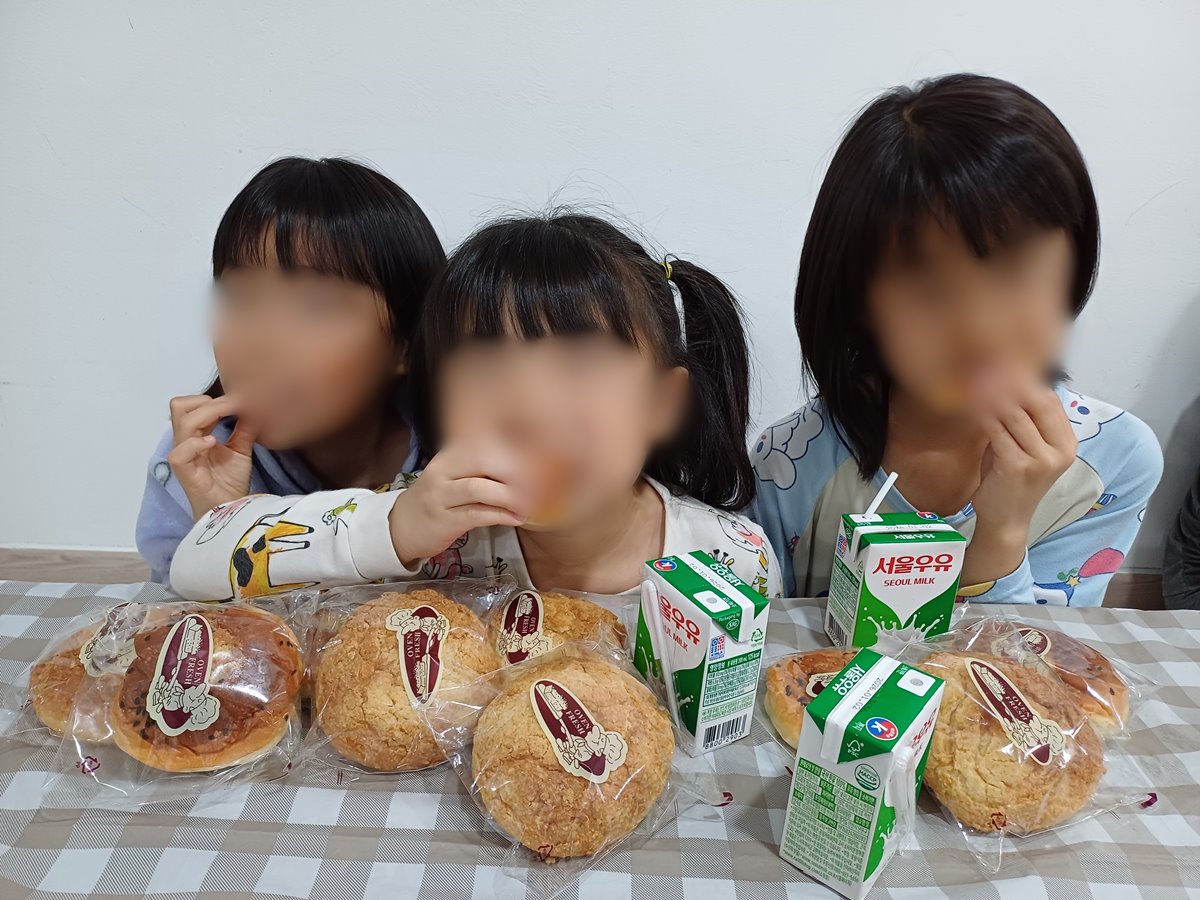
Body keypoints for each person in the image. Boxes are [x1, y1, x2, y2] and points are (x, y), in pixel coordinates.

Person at [168, 213, 781, 600]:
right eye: (486, 369)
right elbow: (197, 562)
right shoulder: (435, 527)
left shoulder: (732, 558)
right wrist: (395, 528)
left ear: (659, 403)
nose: (530, 408)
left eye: (578, 365)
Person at [751, 74, 1161, 606]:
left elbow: (1041, 657)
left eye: (1015, 274)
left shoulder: (1111, 463)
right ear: (859, 303)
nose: (979, 330)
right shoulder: (790, 466)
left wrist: (1003, 530)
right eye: (931, 291)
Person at [135, 157, 446, 583]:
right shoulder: (197, 457)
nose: (263, 341)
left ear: (407, 342)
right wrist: (221, 522)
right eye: (241, 298)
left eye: (316, 306)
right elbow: (186, 617)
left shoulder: (452, 451)